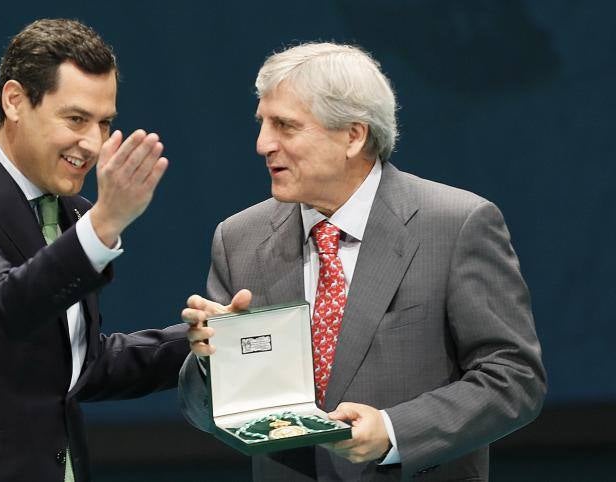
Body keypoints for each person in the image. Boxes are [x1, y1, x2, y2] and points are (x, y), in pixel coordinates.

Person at [179, 42, 546, 481]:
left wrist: (395, 431)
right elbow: (207, 414)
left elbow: (514, 379)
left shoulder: (456, 225)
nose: (262, 144)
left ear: (353, 136)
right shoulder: (239, 238)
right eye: (262, 123)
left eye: (285, 126)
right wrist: (212, 360)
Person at [0, 19, 188, 482]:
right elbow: (6, 306)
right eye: (76, 119)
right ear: (15, 101)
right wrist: (105, 223)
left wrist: (202, 342)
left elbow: (85, 366)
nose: (93, 144)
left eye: (105, 123)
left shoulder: (70, 211)